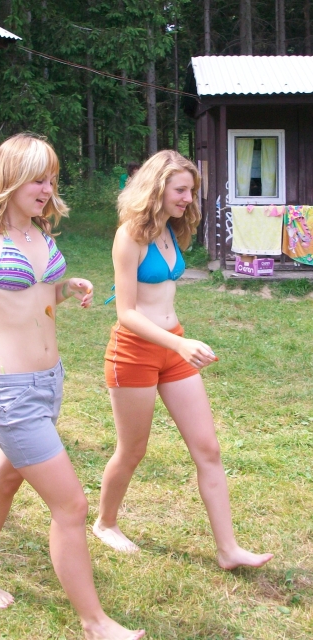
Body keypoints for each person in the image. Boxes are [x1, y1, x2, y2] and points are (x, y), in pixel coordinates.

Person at [0, 134, 145, 640]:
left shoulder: (39, 232)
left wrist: (67, 288)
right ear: (11, 178)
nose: (47, 189)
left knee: (5, 480)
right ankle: (95, 622)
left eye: (51, 179)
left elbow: (35, 297)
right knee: (71, 506)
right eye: (38, 179)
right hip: (10, 391)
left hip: (49, 382)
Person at [93, 150, 274, 571]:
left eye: (191, 191)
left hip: (173, 348)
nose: (188, 199)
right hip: (133, 353)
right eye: (181, 190)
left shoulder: (171, 230)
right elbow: (126, 312)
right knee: (132, 450)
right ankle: (105, 522)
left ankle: (228, 550)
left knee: (208, 448)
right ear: (156, 188)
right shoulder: (129, 236)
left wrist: (177, 344)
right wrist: (178, 345)